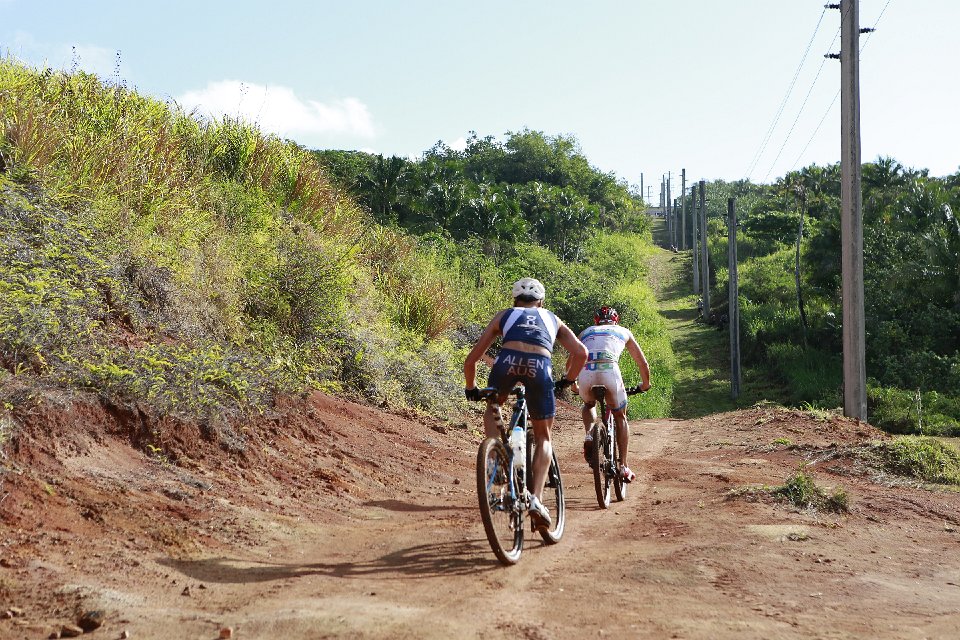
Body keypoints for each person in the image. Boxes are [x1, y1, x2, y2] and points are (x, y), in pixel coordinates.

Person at [464, 277, 588, 532]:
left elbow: (472, 358)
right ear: (541, 301)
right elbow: (581, 353)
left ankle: (494, 457)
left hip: (506, 364)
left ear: (514, 300)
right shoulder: (552, 318)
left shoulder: (505, 315)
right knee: (543, 437)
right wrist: (568, 381)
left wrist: (471, 387)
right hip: (539, 367)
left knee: (492, 406)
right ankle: (536, 499)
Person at [575, 305, 651, 483]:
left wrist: (573, 384)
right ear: (616, 320)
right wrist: (645, 385)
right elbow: (642, 363)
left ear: (596, 321)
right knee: (620, 416)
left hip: (586, 372)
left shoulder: (586, 332)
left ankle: (589, 434)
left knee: (588, 405)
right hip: (610, 371)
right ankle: (623, 466)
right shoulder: (623, 331)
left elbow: (572, 358)